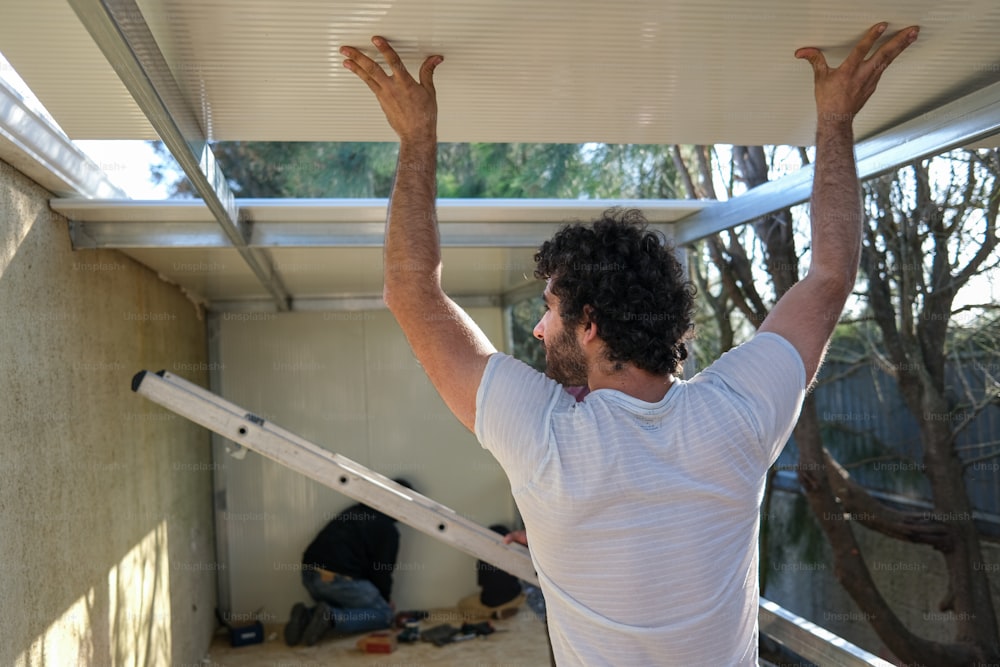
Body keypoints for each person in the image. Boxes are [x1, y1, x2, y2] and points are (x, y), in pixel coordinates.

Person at [340, 22, 918, 665]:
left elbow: (410, 290)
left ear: (589, 324)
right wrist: (836, 119)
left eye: (549, 310)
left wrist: (416, 137)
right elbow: (831, 275)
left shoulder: (545, 437)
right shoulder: (738, 415)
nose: (538, 329)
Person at [284, 478, 414, 647]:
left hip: (309, 576)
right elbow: (381, 571)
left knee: (348, 604)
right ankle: (330, 618)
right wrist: (385, 600)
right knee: (384, 615)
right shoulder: (387, 529)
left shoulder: (354, 512)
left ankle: (307, 616)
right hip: (339, 580)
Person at [457, 524, 526, 621]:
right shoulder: (512, 557)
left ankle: (493, 614)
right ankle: (507, 608)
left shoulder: (483, 560)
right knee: (521, 595)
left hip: (491, 602)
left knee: (462, 604)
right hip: (515, 596)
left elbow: (482, 584)